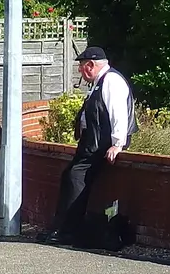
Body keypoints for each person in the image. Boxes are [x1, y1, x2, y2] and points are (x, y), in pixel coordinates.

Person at [42, 46, 134, 246]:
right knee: (70, 176)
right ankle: (61, 228)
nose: (79, 72)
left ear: (91, 65)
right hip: (91, 143)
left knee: (76, 177)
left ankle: (68, 230)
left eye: (81, 66)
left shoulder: (111, 81)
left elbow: (118, 114)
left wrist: (118, 144)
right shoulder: (100, 82)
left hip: (100, 145)